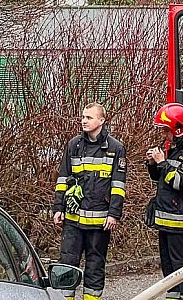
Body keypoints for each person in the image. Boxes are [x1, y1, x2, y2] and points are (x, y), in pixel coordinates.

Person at [52, 103, 126, 300]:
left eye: (89, 117)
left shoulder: (115, 148)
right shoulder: (74, 145)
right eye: (83, 117)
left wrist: (113, 214)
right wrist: (58, 208)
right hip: (73, 219)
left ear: (101, 120)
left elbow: (118, 185)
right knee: (67, 264)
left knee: (95, 265)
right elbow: (63, 178)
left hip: (99, 220)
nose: (84, 121)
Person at [146, 103, 183, 300]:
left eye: (166, 130)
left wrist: (162, 162)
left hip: (178, 220)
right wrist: (153, 164)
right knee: (168, 267)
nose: (164, 134)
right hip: (165, 219)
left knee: (181, 266)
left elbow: (179, 182)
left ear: (177, 129)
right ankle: (173, 295)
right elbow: (161, 178)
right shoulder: (177, 148)